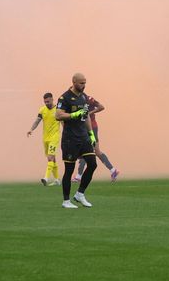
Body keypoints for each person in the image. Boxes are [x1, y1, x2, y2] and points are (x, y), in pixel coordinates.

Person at [54, 72, 99, 208]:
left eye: (85, 83)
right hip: (70, 139)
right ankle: (66, 201)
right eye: (81, 83)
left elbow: (85, 117)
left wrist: (91, 134)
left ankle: (80, 194)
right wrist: (74, 114)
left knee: (92, 164)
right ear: (73, 82)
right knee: (69, 169)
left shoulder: (84, 97)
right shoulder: (64, 98)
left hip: (83, 137)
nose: (83, 85)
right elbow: (58, 115)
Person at [73, 93, 120, 183]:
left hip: (92, 127)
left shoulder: (88, 99)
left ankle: (79, 176)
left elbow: (101, 107)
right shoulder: (74, 101)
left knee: (85, 150)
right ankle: (113, 170)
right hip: (83, 127)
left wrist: (90, 113)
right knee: (96, 151)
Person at [27, 91, 61, 186]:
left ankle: (46, 177)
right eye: (45, 102)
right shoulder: (42, 110)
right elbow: (37, 121)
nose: (47, 103)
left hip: (54, 137)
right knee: (51, 159)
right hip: (45, 138)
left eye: (48, 101)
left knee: (50, 157)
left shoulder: (58, 110)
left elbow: (63, 123)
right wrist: (31, 129)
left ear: (52, 99)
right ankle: (57, 179)